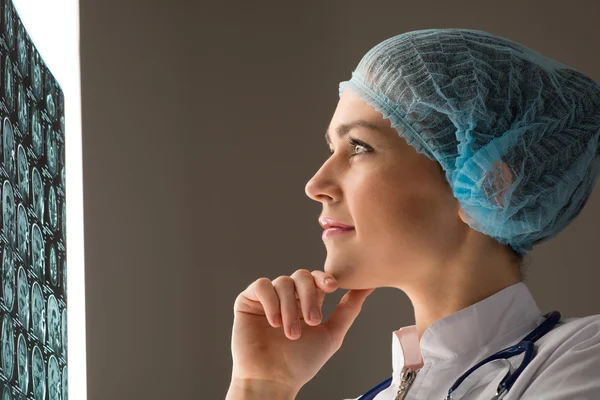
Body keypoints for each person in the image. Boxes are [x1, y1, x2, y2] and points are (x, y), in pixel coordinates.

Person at [226, 29, 600, 399]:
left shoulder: (582, 358)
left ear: (491, 185)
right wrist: (262, 386)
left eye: (358, 147)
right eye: (332, 148)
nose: (315, 184)